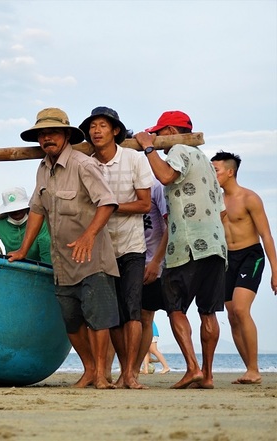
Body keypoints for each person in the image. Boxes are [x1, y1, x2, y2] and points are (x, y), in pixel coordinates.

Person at [8, 107, 119, 389]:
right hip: (63, 261)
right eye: (42, 135)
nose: (47, 138)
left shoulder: (84, 165)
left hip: (92, 257)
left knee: (98, 318)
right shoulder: (42, 169)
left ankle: (101, 375)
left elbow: (107, 203)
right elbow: (36, 211)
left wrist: (89, 236)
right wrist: (23, 250)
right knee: (71, 321)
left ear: (66, 135)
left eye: (53, 132)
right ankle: (90, 369)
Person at [134, 110, 227, 389]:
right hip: (215, 244)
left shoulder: (178, 150)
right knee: (208, 312)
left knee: (175, 308)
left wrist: (148, 148)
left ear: (171, 132)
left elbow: (164, 176)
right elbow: (221, 212)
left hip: (186, 243)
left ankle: (192, 368)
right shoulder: (208, 164)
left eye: (159, 133)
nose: (156, 138)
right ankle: (208, 375)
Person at [79, 107, 152, 389]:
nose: (97, 131)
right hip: (100, 246)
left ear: (115, 131)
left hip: (132, 244)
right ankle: (122, 371)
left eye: (103, 126)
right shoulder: (87, 163)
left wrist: (109, 208)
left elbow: (145, 204)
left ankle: (130, 374)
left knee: (133, 310)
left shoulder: (133, 159)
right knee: (114, 314)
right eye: (92, 127)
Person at [211, 151, 277, 385]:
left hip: (251, 255)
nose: (212, 174)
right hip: (226, 258)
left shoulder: (250, 198)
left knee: (240, 308)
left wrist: (275, 270)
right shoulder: (214, 200)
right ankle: (249, 369)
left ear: (230, 172)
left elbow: (266, 235)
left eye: (216, 170)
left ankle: (254, 368)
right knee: (231, 314)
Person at [137, 178, 169, 378]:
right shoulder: (123, 183)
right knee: (125, 318)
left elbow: (169, 224)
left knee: (146, 316)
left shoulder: (156, 186)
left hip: (154, 262)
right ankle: (128, 369)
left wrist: (157, 261)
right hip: (131, 259)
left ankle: (134, 370)